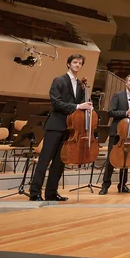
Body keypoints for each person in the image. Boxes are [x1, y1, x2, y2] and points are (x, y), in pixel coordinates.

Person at [29, 54, 93, 202]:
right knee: (45, 160)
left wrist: (87, 105)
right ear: (68, 64)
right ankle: (35, 192)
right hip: (55, 125)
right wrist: (78, 106)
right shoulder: (59, 80)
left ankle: (52, 192)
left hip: (70, 128)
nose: (77, 65)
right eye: (75, 62)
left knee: (59, 162)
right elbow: (56, 103)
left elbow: (82, 104)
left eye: (80, 63)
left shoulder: (80, 84)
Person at [100, 75, 130, 195]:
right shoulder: (117, 95)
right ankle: (105, 185)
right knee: (111, 158)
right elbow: (111, 112)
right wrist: (125, 113)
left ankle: (122, 185)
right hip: (117, 131)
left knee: (126, 159)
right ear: (126, 83)